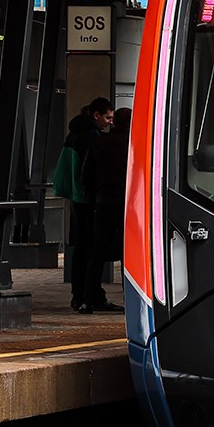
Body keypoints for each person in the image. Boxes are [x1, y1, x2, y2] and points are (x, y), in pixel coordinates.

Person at [52, 97, 114, 311]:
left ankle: (78, 295)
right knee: (91, 249)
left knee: (81, 248)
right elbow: (90, 171)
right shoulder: (92, 136)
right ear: (96, 115)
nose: (110, 122)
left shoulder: (74, 133)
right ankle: (90, 296)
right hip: (87, 199)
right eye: (107, 117)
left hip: (76, 197)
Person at [78, 107, 130, 314]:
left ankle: (88, 300)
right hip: (128, 205)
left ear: (114, 122)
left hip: (103, 202)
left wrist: (92, 199)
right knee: (129, 254)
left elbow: (86, 175)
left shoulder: (99, 143)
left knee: (97, 253)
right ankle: (131, 301)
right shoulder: (133, 144)